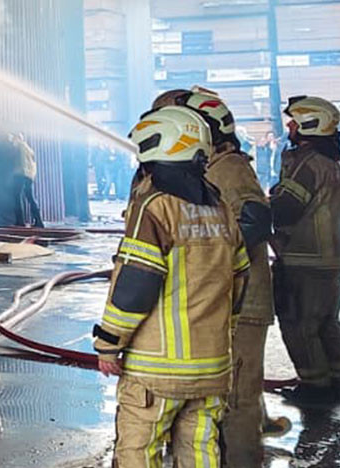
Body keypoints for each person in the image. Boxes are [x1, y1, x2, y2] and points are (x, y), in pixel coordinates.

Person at [93, 105, 249, 468]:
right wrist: (225, 334)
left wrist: (109, 343)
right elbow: (240, 278)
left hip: (156, 370)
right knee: (201, 451)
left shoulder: (155, 208)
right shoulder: (220, 208)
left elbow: (135, 287)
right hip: (212, 367)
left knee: (139, 450)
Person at [168, 87, 275, 464]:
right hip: (228, 300)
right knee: (227, 391)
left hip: (244, 302)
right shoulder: (213, 166)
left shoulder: (229, 167)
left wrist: (216, 246)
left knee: (238, 396)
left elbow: (256, 218)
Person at [269, 95, 340, 405]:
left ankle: (315, 387)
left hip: (303, 259)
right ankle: (337, 379)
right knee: (326, 324)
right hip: (329, 260)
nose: (289, 126)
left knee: (300, 325)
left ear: (309, 125)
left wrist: (263, 203)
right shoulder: (332, 162)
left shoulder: (307, 163)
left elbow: (285, 208)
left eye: (294, 122)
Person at [0, 132, 43, 227]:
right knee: (30, 198)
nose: (12, 141)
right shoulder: (29, 149)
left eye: (14, 139)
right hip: (29, 176)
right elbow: (33, 164)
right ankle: (39, 221)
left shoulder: (19, 147)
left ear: (18, 138)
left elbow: (13, 158)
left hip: (20, 174)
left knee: (17, 198)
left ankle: (20, 222)